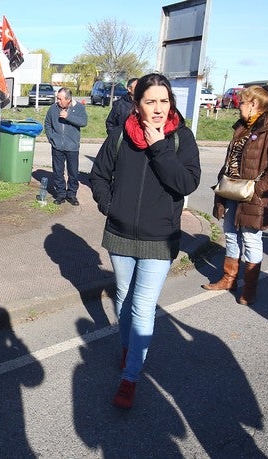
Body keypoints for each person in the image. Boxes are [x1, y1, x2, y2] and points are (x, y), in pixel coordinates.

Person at [90, 73, 201, 409]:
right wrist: (109, 205)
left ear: (171, 104)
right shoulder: (122, 134)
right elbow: (98, 174)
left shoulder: (181, 138)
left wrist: (159, 147)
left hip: (160, 237)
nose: (157, 109)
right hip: (120, 234)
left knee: (142, 306)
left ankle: (130, 377)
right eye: (150, 101)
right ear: (137, 105)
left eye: (163, 101)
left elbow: (186, 183)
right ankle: (129, 349)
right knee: (123, 297)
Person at [202, 82, 268, 306]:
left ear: (253, 104)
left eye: (241, 102)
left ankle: (249, 288)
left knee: (251, 239)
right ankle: (228, 279)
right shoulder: (242, 126)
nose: (237, 105)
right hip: (232, 190)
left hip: (254, 195)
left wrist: (257, 189)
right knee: (231, 234)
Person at [44, 87, 88, 206]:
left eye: (60, 99)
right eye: (57, 98)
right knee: (58, 172)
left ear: (68, 99)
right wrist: (51, 138)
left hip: (72, 147)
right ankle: (60, 195)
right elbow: (47, 123)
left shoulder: (79, 107)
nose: (58, 101)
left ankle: (71, 195)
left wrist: (68, 116)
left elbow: (83, 122)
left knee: (73, 172)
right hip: (57, 146)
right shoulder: (53, 109)